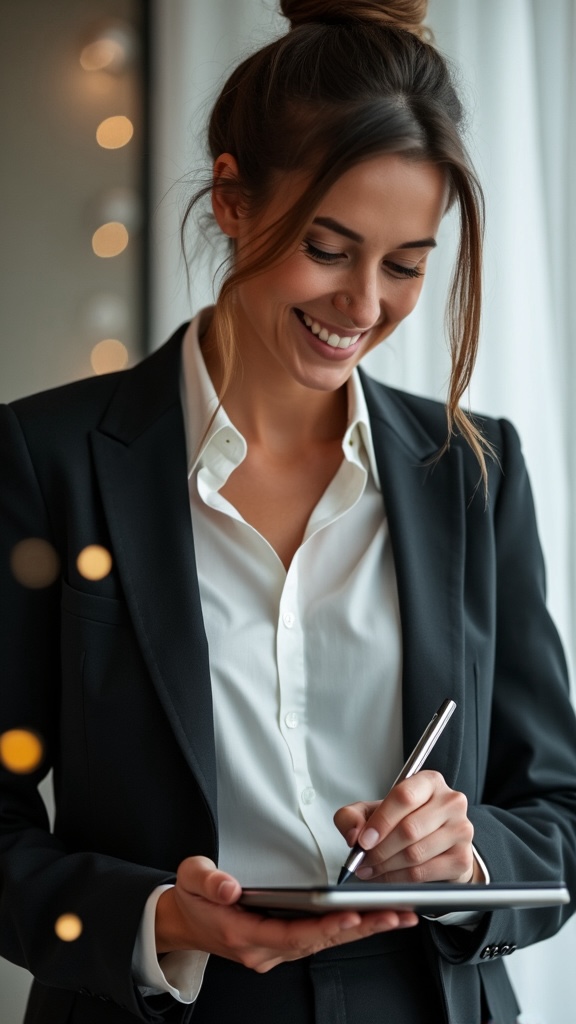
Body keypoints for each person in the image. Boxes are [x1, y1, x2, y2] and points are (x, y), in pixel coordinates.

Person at [1, 1, 575, 1022]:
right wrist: (157, 920)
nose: (364, 305)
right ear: (231, 198)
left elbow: (557, 811)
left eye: (406, 265)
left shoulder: (474, 471)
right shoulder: (45, 459)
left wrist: (467, 854)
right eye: (328, 248)